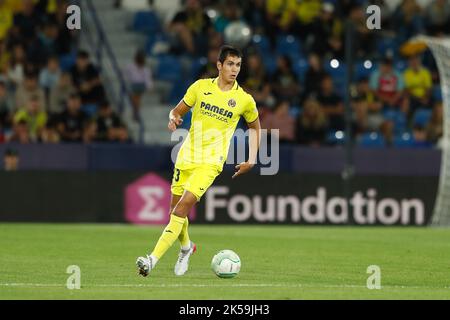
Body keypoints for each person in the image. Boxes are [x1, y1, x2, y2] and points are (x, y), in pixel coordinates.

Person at [136, 45, 261, 277]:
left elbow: (255, 127)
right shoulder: (200, 87)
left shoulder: (244, 99)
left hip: (211, 162)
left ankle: (151, 260)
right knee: (174, 210)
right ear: (219, 65)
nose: (235, 69)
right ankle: (186, 248)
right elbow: (177, 111)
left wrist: (251, 158)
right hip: (186, 156)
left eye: (238, 65)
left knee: (183, 207)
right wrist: (173, 119)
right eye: (230, 64)